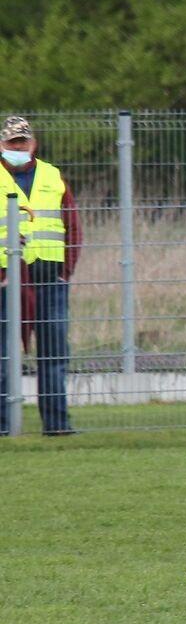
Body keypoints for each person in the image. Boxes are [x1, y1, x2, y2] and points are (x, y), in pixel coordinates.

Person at [0, 115, 82, 436]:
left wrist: (65, 273)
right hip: (6, 281)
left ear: (33, 144)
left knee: (53, 353)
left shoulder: (53, 176)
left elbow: (73, 227)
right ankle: (3, 427)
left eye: (22, 142)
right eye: (12, 143)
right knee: (3, 355)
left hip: (49, 279)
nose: (18, 148)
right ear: (2, 145)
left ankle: (57, 425)